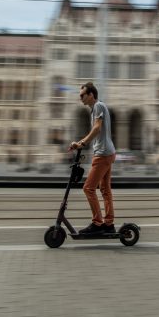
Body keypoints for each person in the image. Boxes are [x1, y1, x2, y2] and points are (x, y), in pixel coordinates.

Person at [69, 82, 116, 234]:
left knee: (88, 188)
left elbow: (97, 128)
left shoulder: (98, 106)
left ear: (91, 95)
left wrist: (81, 143)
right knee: (104, 189)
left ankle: (97, 223)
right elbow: (97, 130)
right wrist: (82, 144)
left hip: (102, 154)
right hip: (108, 152)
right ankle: (109, 224)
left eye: (82, 95)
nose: (80, 98)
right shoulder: (96, 109)